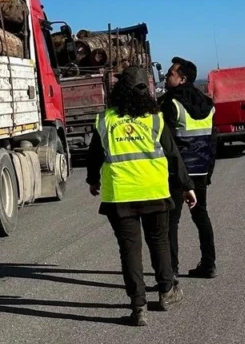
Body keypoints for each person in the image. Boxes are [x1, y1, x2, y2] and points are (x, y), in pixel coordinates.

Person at [86, 66, 197, 326]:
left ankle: (138, 308)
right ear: (145, 91)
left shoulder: (105, 120)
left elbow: (94, 155)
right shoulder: (155, 118)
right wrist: (187, 185)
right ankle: (167, 292)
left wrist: (93, 181)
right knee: (159, 243)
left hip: (120, 196)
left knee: (129, 251)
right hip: (155, 193)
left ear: (118, 91)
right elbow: (173, 155)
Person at [160, 56, 219, 279]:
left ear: (182, 78)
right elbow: (213, 142)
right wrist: (208, 172)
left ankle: (171, 272)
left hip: (176, 172)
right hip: (200, 171)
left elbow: (165, 143)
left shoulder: (169, 104)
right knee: (201, 215)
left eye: (171, 73)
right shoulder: (207, 104)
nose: (166, 76)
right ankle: (209, 264)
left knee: (170, 222)